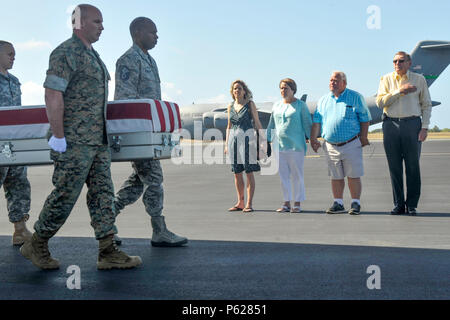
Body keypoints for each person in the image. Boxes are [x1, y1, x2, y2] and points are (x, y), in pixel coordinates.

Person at [20, 4, 142, 270]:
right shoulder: (66, 52)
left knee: (103, 195)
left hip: (97, 141)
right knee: (65, 194)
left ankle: (108, 251)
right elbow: (53, 94)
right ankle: (37, 243)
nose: (102, 26)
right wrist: (59, 136)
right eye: (97, 21)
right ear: (80, 23)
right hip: (73, 141)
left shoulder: (93, 55)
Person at [113, 17, 187, 247]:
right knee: (154, 178)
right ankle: (159, 230)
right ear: (138, 32)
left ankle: (106, 219)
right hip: (137, 134)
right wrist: (134, 138)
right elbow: (124, 101)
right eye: (152, 32)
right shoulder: (128, 60)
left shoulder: (149, 61)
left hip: (149, 134)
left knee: (139, 180)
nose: (157, 36)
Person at [376, 51, 432, 216]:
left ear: (409, 63)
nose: (397, 64)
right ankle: (399, 204)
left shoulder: (419, 79)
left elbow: (426, 104)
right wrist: (400, 91)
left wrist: (425, 127)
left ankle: (412, 204)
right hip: (390, 124)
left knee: (413, 166)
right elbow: (380, 102)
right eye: (394, 61)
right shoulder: (386, 79)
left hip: (412, 124)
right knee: (394, 167)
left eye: (401, 61)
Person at [310, 71, 371, 215]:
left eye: (336, 80)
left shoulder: (355, 97)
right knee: (335, 176)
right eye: (331, 80)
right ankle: (338, 203)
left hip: (350, 142)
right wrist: (313, 139)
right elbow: (317, 122)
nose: (333, 83)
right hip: (330, 145)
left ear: (344, 83)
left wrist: (363, 137)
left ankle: (355, 203)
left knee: (353, 175)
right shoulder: (324, 100)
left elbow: (365, 118)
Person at [0, 41, 33, 246]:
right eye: (9, 54)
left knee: (18, 182)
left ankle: (20, 230)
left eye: (14, 54)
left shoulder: (15, 81)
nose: (13, 57)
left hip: (13, 144)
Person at [266, 78, 312, 213]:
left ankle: (297, 203)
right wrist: (267, 140)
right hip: (279, 146)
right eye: (281, 88)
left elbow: (307, 123)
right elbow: (271, 125)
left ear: (293, 90)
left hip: (296, 146)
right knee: (283, 176)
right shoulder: (276, 106)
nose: (283, 90)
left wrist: (312, 139)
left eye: (286, 88)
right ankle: (286, 202)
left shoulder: (300, 105)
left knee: (297, 175)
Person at [224, 80, 264, 213]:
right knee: (237, 173)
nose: (237, 91)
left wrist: (262, 142)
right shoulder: (230, 106)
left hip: (248, 142)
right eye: (235, 89)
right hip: (233, 143)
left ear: (244, 91)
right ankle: (240, 202)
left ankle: (249, 203)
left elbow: (257, 123)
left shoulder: (250, 104)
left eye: (239, 88)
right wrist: (226, 144)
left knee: (249, 172)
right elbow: (229, 126)